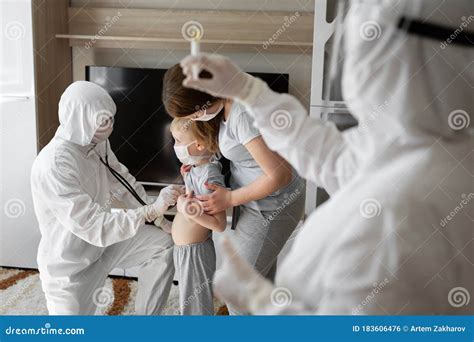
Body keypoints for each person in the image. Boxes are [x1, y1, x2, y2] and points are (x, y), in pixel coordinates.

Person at [179, 0, 474, 314]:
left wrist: (261, 303)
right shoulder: (421, 145)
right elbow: (328, 154)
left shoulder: (394, 215)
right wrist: (248, 91)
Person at [30, 81, 184, 315]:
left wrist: (160, 220)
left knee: (163, 246)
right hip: (70, 269)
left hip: (103, 249)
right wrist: (150, 212)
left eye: (111, 118)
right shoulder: (54, 165)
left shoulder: (97, 142)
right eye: (103, 120)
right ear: (80, 119)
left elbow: (122, 182)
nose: (109, 126)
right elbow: (94, 226)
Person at [162, 65, 306, 315]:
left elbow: (281, 175)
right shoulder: (226, 92)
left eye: (194, 115)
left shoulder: (241, 113)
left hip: (273, 204)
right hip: (254, 198)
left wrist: (229, 198)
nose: (194, 120)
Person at [169, 117, 227, 315]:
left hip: (196, 252)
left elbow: (219, 225)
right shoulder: (196, 170)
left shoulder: (210, 176)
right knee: (189, 302)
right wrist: (187, 179)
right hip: (185, 250)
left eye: (178, 140)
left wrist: (187, 211)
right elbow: (196, 200)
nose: (175, 146)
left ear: (200, 145)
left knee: (196, 305)